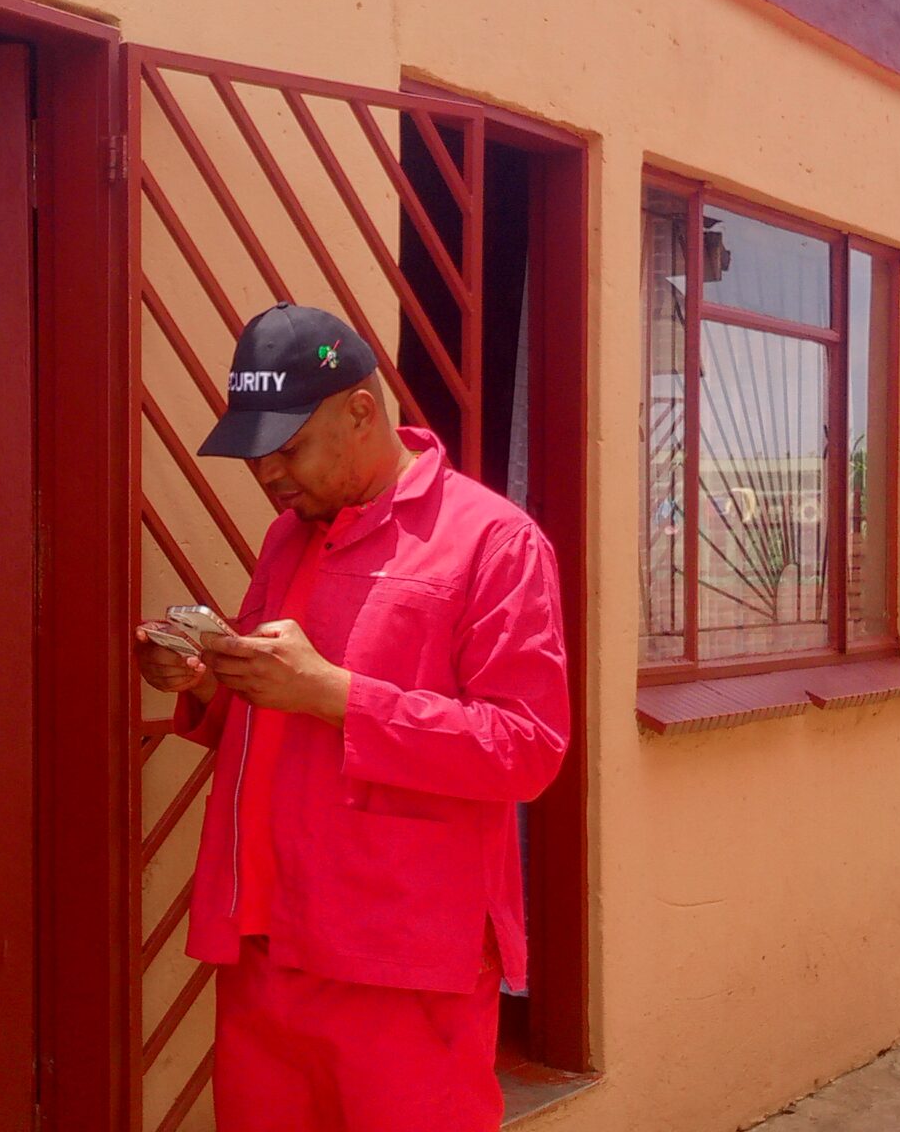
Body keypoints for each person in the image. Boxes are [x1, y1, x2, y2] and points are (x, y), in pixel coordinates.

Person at [132, 305, 571, 1132]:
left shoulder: (492, 543)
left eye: (288, 447)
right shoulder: (288, 539)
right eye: (256, 453)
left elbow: (527, 749)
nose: (268, 473)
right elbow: (271, 714)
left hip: (400, 963)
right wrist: (202, 679)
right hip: (266, 941)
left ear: (361, 412)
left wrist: (335, 694)